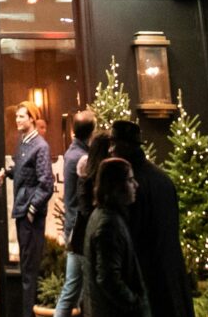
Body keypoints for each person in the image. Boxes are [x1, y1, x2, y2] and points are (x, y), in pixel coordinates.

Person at [107, 121, 185, 317]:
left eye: (114, 143)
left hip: (148, 277)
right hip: (170, 274)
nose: (110, 150)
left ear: (124, 145)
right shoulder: (162, 179)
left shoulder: (130, 186)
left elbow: (133, 234)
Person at [77, 159, 147, 317]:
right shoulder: (108, 225)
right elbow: (108, 278)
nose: (136, 185)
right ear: (115, 186)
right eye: (129, 180)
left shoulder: (103, 216)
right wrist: (135, 302)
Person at [1, 106, 53, 317]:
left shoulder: (40, 146)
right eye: (16, 116)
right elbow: (24, 171)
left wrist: (32, 208)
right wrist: (6, 172)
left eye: (21, 116)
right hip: (22, 210)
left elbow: (46, 183)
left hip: (29, 214)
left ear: (32, 118)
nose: (17, 120)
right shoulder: (24, 143)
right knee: (26, 266)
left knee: (29, 269)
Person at [54, 113, 95, 317]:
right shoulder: (82, 157)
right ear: (92, 131)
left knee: (74, 288)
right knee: (75, 289)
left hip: (73, 226)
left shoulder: (73, 153)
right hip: (79, 228)